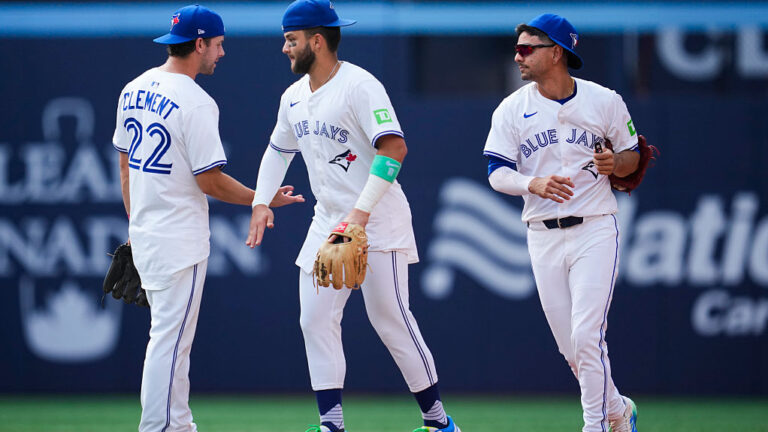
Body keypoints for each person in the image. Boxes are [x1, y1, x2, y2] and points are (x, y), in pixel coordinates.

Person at [244, 1, 459, 431]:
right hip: (328, 222)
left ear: (317, 41)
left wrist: (359, 217)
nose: (285, 48)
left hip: (375, 219)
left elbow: (394, 148)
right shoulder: (293, 97)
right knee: (314, 318)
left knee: (391, 321)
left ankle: (439, 423)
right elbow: (277, 150)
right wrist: (260, 201)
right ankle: (332, 424)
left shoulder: (360, 86)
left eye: (292, 39)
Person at [112, 5, 303, 431]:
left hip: (146, 233)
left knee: (170, 340)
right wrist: (263, 197)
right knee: (170, 343)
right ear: (198, 44)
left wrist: (137, 221)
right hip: (179, 238)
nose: (221, 52)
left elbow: (125, 166)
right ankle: (159, 426)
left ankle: (177, 424)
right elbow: (210, 181)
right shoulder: (196, 102)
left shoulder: (133, 88)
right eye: (217, 45)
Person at [483, 13, 639, 432]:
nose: (518, 56)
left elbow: (632, 156)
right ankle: (618, 411)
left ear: (556, 53)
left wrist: (615, 163)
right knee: (571, 348)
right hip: (542, 235)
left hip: (594, 227)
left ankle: (595, 425)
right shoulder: (512, 108)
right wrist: (532, 182)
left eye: (527, 48)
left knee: (588, 336)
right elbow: (496, 172)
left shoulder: (604, 100)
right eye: (517, 48)